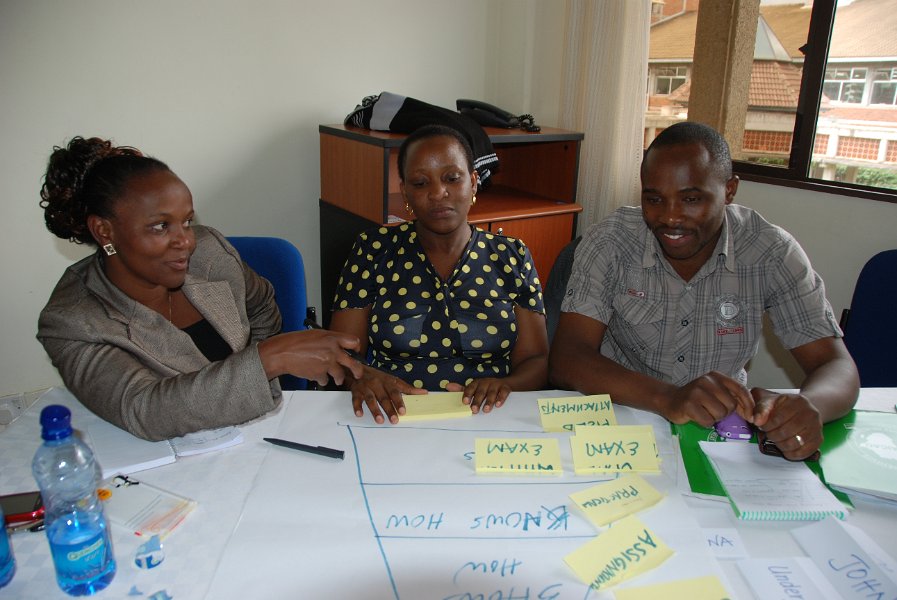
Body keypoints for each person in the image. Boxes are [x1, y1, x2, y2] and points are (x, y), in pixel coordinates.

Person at [549, 121, 859, 461]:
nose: (670, 217)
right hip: (620, 422)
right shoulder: (610, 242)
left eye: (691, 199)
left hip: (721, 432)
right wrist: (668, 398)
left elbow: (835, 364)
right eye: (654, 199)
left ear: (729, 190)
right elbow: (568, 359)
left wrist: (808, 406)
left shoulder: (770, 252)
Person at [37, 136, 363, 441]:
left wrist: (255, 378)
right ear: (104, 231)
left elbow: (263, 305)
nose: (185, 241)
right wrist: (267, 360)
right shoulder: (74, 321)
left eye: (187, 222)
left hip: (252, 436)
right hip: (162, 456)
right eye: (161, 226)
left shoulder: (209, 253)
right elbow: (143, 410)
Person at [329, 124, 549, 424]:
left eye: (452, 178)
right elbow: (343, 354)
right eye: (420, 183)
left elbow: (536, 360)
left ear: (473, 183)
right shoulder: (373, 250)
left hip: (489, 415)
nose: (437, 193)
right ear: (405, 192)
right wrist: (363, 377)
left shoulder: (512, 256)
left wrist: (508, 385)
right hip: (392, 417)